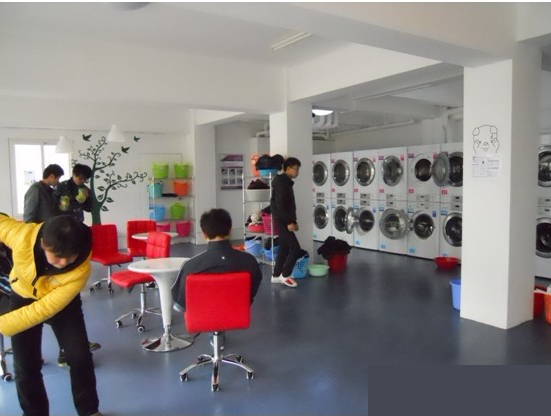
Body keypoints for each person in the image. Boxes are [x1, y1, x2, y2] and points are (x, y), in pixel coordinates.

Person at [0, 214, 102, 416]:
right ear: (43, 244)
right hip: (22, 295)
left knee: (79, 357)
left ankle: (89, 410)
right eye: (57, 256)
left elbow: (43, 309)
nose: (63, 263)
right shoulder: (22, 236)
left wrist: (3, 324)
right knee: (25, 365)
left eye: (70, 257)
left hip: (61, 304)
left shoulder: (81, 270)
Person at [24, 164, 100, 367]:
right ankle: (68, 350)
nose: (82, 182)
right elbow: (32, 218)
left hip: (67, 239)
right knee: (59, 304)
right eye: (80, 178)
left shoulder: (54, 190)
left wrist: (84, 200)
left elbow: (81, 208)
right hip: (53, 242)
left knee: (70, 300)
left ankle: (74, 346)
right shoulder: (49, 189)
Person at [171, 208, 263, 350]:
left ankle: (214, 333)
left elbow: (180, 305)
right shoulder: (249, 261)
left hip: (202, 316)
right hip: (235, 311)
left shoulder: (190, 266)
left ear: (204, 234)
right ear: (230, 230)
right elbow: (251, 292)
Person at [270, 157, 303, 288]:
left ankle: (276, 275)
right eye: (296, 169)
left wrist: (293, 221)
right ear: (288, 169)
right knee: (295, 248)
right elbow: (281, 205)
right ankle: (285, 274)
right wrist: (289, 222)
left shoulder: (285, 182)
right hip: (282, 220)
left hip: (283, 219)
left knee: (284, 248)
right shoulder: (282, 183)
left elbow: (288, 206)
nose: (297, 172)